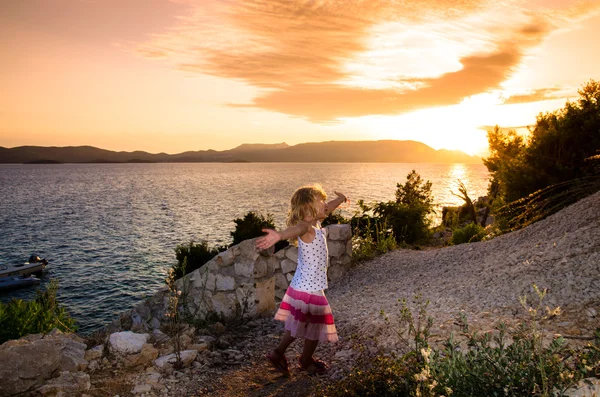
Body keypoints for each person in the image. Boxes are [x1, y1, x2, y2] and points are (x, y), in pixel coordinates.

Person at [256, 184, 347, 375]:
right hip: (309, 288)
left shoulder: (316, 222)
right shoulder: (305, 226)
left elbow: (329, 207)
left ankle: (277, 353)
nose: (325, 204)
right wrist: (280, 235)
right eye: (321, 201)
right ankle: (305, 361)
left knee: (299, 323)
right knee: (316, 323)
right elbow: (294, 230)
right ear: (308, 207)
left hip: (304, 284)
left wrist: (340, 199)